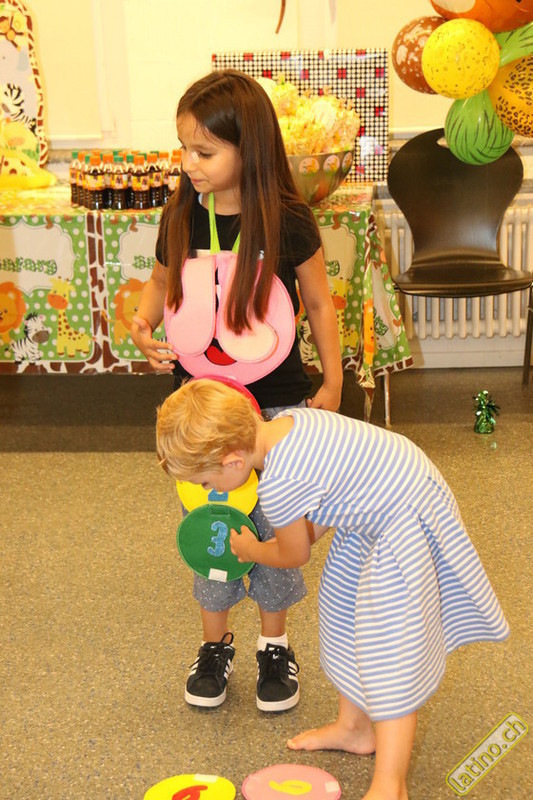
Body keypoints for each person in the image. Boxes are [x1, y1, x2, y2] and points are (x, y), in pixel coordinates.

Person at [156, 379, 510, 800]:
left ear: (232, 461)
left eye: (204, 481)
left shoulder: (277, 484)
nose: (206, 491)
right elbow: (332, 491)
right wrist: (292, 538)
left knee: (388, 652)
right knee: (343, 611)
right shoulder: (290, 422)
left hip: (403, 520)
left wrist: (251, 549)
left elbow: (293, 554)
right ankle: (354, 727)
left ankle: (391, 784)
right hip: (374, 510)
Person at [130, 69, 343, 712]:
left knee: (276, 525)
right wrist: (141, 323)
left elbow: (319, 303)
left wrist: (333, 380)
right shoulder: (180, 212)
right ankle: (214, 645)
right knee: (213, 526)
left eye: (204, 151)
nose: (188, 164)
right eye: (184, 149)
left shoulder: (288, 218)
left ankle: (274, 644)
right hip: (202, 409)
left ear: (249, 149)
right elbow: (160, 280)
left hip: (276, 404)